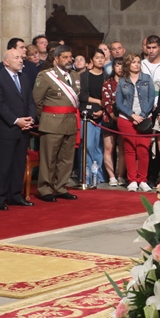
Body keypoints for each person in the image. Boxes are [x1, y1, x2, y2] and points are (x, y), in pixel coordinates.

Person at [0, 48, 36, 209]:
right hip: (6, 128)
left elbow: (30, 100)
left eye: (22, 58)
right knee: (4, 164)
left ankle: (15, 195)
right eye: (17, 58)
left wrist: (30, 118)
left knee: (19, 164)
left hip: (24, 127)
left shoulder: (25, 78)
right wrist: (16, 121)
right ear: (6, 61)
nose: (21, 60)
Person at [33, 44, 81, 202]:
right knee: (49, 158)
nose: (69, 60)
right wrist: (46, 119)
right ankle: (45, 188)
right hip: (52, 122)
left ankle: (60, 187)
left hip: (70, 122)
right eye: (65, 57)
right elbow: (37, 101)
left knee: (66, 158)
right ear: (56, 59)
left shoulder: (75, 75)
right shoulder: (46, 76)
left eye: (70, 57)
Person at [116, 53, 156, 192]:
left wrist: (143, 115)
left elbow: (151, 98)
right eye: (133, 62)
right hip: (127, 119)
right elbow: (119, 102)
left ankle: (142, 180)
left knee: (143, 150)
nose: (137, 64)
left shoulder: (147, 78)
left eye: (138, 62)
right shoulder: (122, 81)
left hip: (144, 119)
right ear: (128, 64)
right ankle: (132, 180)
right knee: (129, 150)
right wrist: (132, 115)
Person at [78, 48, 107, 188]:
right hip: (87, 115)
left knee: (100, 146)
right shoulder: (85, 76)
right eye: (97, 57)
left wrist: (102, 109)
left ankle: (99, 175)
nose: (100, 60)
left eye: (102, 57)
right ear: (91, 60)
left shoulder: (107, 76)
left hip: (103, 115)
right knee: (88, 144)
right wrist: (98, 102)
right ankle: (87, 174)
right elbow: (82, 95)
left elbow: (109, 96)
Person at [101, 57, 125, 186]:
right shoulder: (108, 83)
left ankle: (120, 176)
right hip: (109, 119)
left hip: (124, 119)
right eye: (117, 65)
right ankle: (111, 176)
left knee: (122, 149)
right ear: (113, 67)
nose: (120, 68)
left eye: (122, 65)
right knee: (109, 148)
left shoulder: (127, 83)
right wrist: (113, 116)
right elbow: (106, 102)